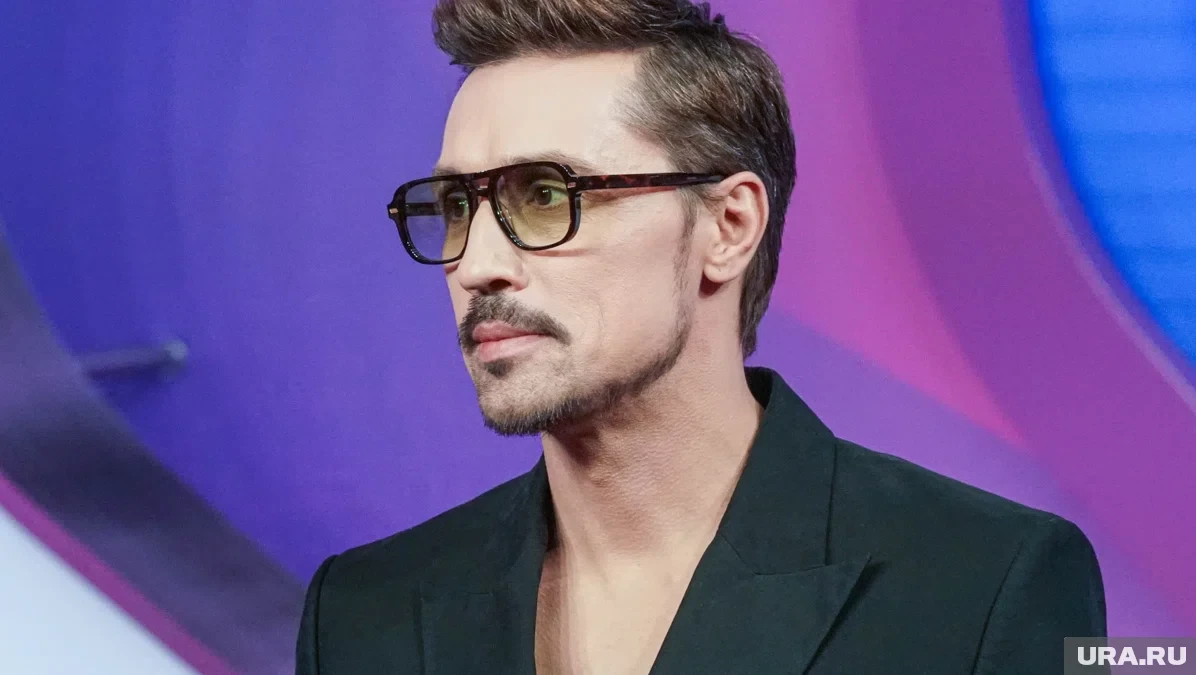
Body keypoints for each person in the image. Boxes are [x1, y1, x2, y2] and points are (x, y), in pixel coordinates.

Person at [295, 0, 1107, 672]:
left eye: (545, 195)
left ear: (729, 225)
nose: (477, 265)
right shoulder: (362, 614)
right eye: (457, 207)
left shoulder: (983, 584)